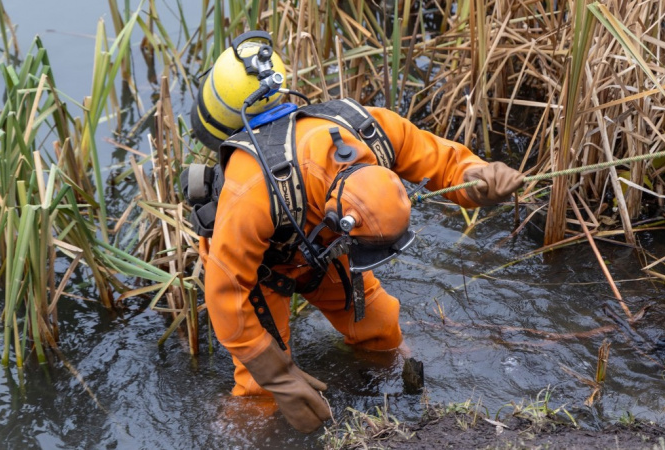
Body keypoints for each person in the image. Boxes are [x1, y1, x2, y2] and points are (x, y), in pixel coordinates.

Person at [186, 33, 523, 433]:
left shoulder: (371, 131)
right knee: (259, 390)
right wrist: (277, 375)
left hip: (322, 251)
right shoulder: (250, 193)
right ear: (336, 213)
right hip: (263, 271)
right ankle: (245, 432)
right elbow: (227, 290)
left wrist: (479, 177)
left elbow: (441, 161)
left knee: (381, 330)